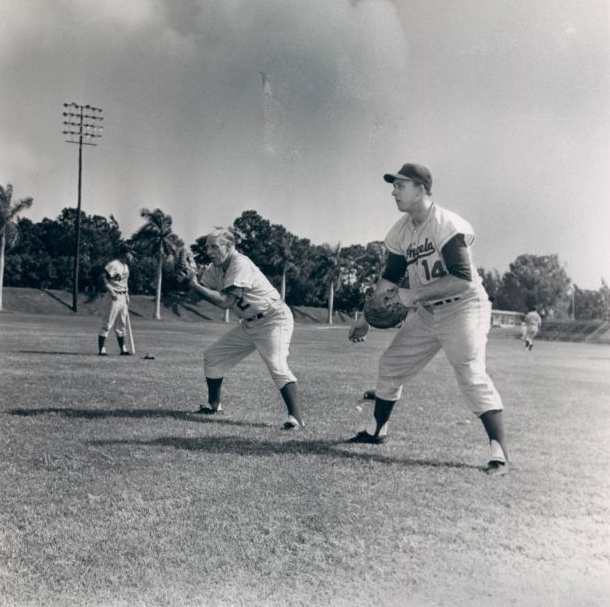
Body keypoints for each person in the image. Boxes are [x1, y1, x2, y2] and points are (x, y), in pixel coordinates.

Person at [348, 163, 509, 474]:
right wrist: (367, 318)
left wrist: (414, 295)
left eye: (400, 185)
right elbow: (390, 279)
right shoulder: (401, 231)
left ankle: (499, 452)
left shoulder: (445, 223)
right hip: (428, 309)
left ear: (421, 188)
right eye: (393, 186)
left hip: (463, 306)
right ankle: (377, 431)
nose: (394, 192)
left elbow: (462, 279)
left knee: (469, 371)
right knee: (391, 365)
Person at [184, 228, 304, 430]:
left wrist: (194, 285)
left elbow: (225, 301)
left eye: (214, 247)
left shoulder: (240, 262)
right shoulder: (214, 268)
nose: (209, 252)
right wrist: (190, 279)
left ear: (229, 246)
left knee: (276, 364)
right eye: (207, 247)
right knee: (213, 356)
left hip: (273, 318)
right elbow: (194, 298)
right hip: (249, 323)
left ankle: (296, 419)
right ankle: (214, 406)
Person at [98, 244, 132, 356]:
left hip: (123, 296)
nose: (130, 256)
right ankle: (102, 349)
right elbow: (103, 277)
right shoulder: (114, 264)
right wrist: (110, 290)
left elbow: (124, 282)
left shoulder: (126, 266)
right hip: (113, 296)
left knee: (121, 324)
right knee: (108, 323)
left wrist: (127, 294)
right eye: (129, 253)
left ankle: (123, 349)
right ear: (124, 253)